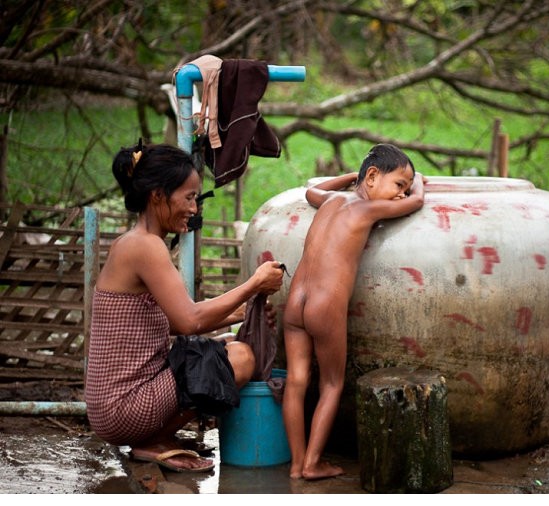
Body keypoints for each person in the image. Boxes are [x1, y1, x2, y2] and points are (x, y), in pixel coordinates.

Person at [84, 141, 284, 473]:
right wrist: (253, 285)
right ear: (158, 195)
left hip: (115, 405)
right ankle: (153, 441)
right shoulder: (144, 247)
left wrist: (243, 311)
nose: (194, 208)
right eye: (188, 197)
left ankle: (153, 438)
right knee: (241, 357)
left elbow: (172, 322)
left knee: (231, 346)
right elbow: (189, 320)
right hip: (123, 407)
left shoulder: (135, 243)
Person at [282, 143, 425, 480]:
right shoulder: (367, 211)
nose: (401, 193)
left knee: (296, 381)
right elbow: (417, 203)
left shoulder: (332, 200)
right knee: (332, 383)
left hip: (295, 302)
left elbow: (311, 191)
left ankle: (294, 464)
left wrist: (351, 176)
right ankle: (312, 463)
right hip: (324, 305)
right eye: (399, 184)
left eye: (406, 186)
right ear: (372, 177)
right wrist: (422, 184)